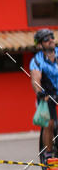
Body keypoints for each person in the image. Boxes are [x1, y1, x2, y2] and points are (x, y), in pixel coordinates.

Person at [30, 28, 58, 157]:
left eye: (51, 36)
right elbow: (36, 79)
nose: (51, 40)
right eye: (46, 39)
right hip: (47, 95)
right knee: (50, 123)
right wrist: (40, 92)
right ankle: (48, 153)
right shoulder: (37, 60)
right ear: (40, 44)